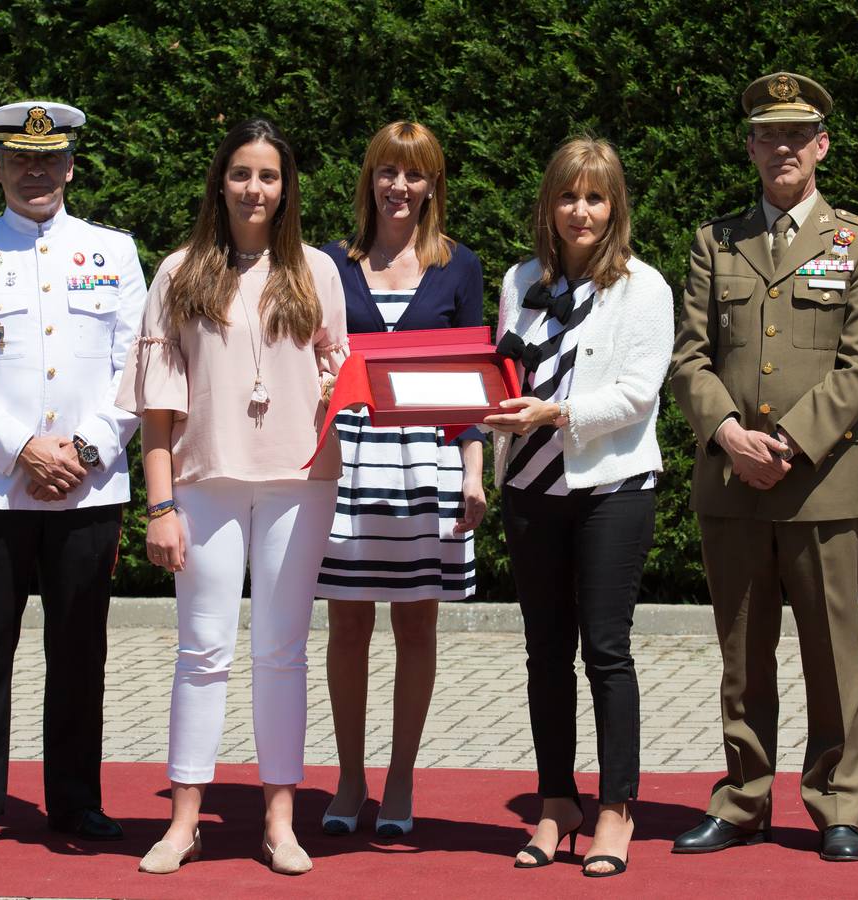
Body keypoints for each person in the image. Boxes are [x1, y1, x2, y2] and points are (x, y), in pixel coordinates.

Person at [667, 71, 858, 863]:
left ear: (821, 146)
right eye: (768, 134)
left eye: (798, 134)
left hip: (820, 485)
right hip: (731, 483)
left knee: (831, 653)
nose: (783, 147)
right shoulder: (713, 242)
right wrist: (726, 433)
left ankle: (837, 804)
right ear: (752, 147)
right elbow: (689, 357)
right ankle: (742, 799)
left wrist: (789, 444)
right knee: (741, 652)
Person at [115, 118, 347, 877]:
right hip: (204, 482)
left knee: (281, 652)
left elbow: (341, 379)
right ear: (220, 181)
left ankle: (280, 820)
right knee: (201, 650)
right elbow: (156, 405)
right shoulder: (179, 271)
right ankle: (184, 821)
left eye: (269, 176)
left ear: (287, 191)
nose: (255, 188)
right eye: (242, 173)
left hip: (298, 483)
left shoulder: (317, 270)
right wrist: (159, 506)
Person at [0, 100, 147, 849]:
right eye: (19, 159)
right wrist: (23, 449)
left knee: (80, 648)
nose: (35, 172)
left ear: (71, 166)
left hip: (88, 487)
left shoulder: (112, 252)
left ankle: (76, 802)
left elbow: (137, 369)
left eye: (48, 159)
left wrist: (82, 452)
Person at [484, 137, 673, 877]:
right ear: (549, 204)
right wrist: (492, 410)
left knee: (605, 650)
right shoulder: (519, 278)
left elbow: (636, 394)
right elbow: (499, 371)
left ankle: (616, 808)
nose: (580, 210)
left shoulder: (644, 288)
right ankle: (556, 799)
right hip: (530, 489)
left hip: (611, 488)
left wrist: (555, 414)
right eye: (568, 196)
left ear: (614, 206)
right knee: (543, 654)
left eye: (594, 197)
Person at [315, 121, 487, 839]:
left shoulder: (459, 265)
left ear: (432, 185)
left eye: (414, 174)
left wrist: (475, 475)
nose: (399, 186)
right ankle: (349, 776)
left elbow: (477, 379)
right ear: (369, 179)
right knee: (347, 622)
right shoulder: (327, 262)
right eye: (387, 171)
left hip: (427, 465)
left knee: (416, 623)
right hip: (348, 465)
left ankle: (401, 776)